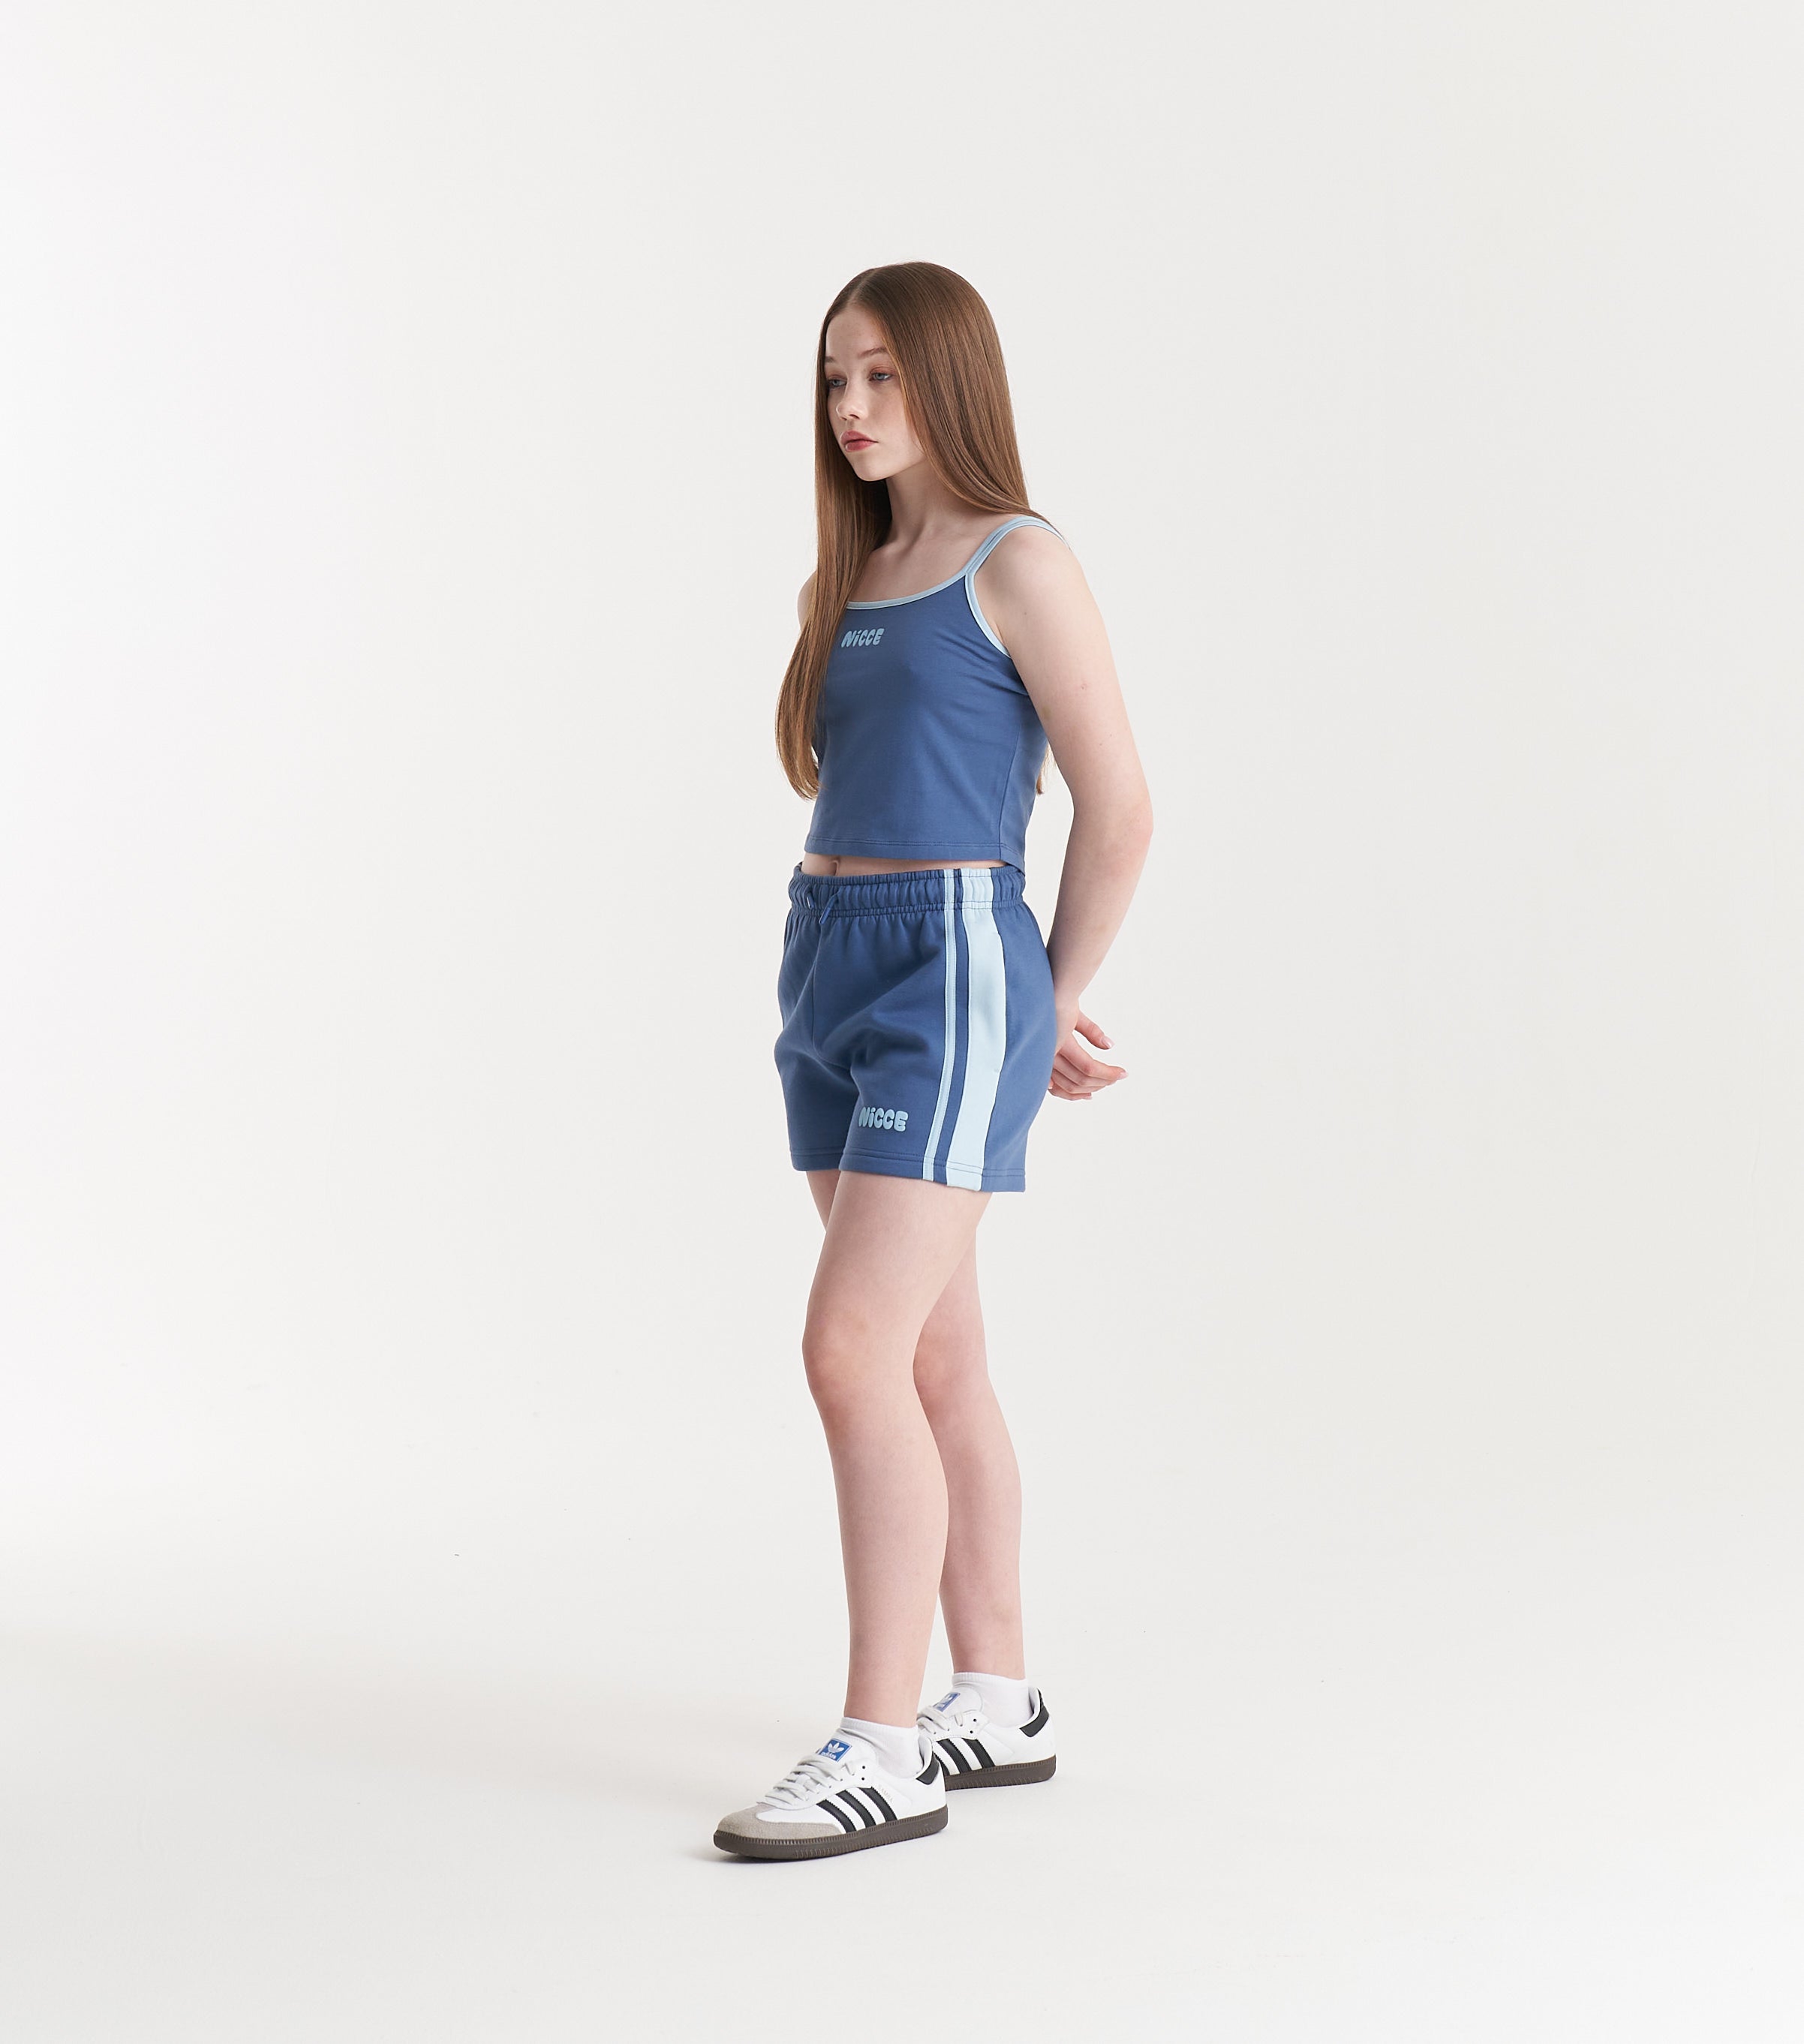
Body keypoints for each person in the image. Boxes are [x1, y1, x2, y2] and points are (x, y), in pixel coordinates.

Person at [713, 262, 1153, 1860]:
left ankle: (881, 1744)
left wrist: (1042, 1000)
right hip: (825, 960)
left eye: (884, 375)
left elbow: (1120, 809)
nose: (852, 406)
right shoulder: (847, 577)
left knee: (849, 1349)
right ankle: (998, 1698)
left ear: (950, 378)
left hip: (951, 962)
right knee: (929, 1363)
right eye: (836, 377)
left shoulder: (1017, 560)